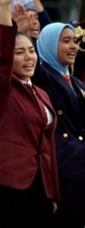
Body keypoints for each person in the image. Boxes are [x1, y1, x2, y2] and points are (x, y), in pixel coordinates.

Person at [0, 0, 59, 226]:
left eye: (31, 52)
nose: (28, 58)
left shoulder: (42, 93)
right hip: (7, 185)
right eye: (20, 53)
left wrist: (52, 192)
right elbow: (0, 57)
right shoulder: (0, 88)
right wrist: (3, 8)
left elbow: (47, 146)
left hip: (40, 188)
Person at [34, 22, 85, 224]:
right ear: (48, 45)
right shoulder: (42, 76)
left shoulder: (76, 83)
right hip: (59, 171)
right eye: (65, 41)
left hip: (78, 169)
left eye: (74, 41)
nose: (73, 46)